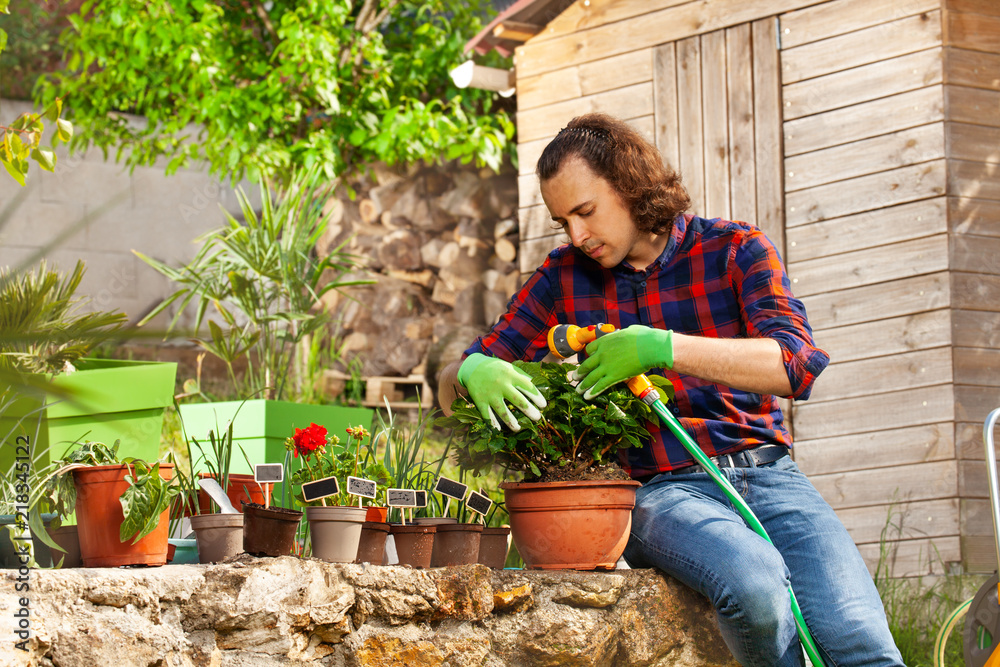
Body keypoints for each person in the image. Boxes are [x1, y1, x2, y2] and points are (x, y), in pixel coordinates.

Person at [437, 113, 904, 666]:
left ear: (631, 186)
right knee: (755, 588)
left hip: (768, 474)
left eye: (585, 212)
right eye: (564, 221)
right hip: (659, 492)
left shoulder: (734, 250)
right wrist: (470, 371)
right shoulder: (563, 277)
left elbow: (795, 365)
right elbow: (456, 378)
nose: (577, 236)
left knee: (860, 641)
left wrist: (666, 347)